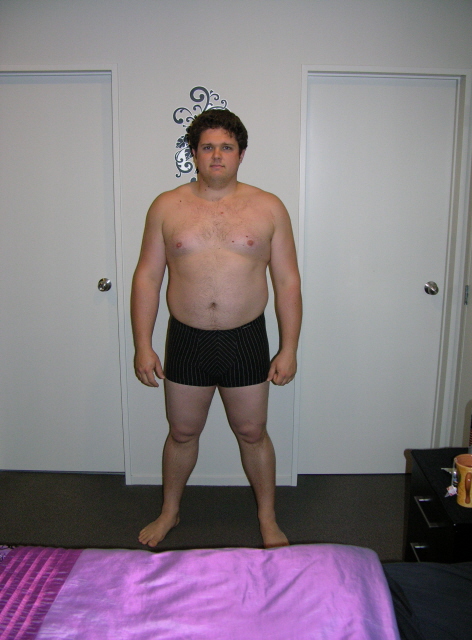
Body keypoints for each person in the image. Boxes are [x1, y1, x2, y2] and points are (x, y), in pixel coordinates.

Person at [131, 109, 302, 548]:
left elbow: (287, 281)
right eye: (207, 147)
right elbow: (147, 277)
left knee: (252, 433)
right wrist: (142, 345)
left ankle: (267, 518)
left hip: (245, 338)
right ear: (194, 153)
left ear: (241, 154)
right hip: (187, 339)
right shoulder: (166, 206)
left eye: (227, 147)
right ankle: (170, 511)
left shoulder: (268, 207)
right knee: (182, 433)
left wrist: (289, 348)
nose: (217, 155)